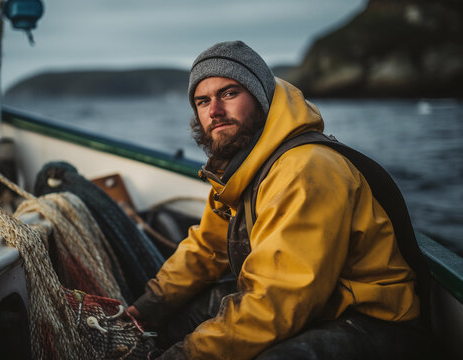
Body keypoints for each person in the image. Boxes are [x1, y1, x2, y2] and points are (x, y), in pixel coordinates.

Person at [127, 41, 430, 359]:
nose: (214, 112)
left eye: (229, 93)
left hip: (373, 321)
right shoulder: (240, 167)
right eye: (203, 101)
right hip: (314, 303)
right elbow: (206, 248)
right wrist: (149, 307)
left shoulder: (307, 168)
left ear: (260, 97)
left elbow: (278, 300)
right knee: (177, 319)